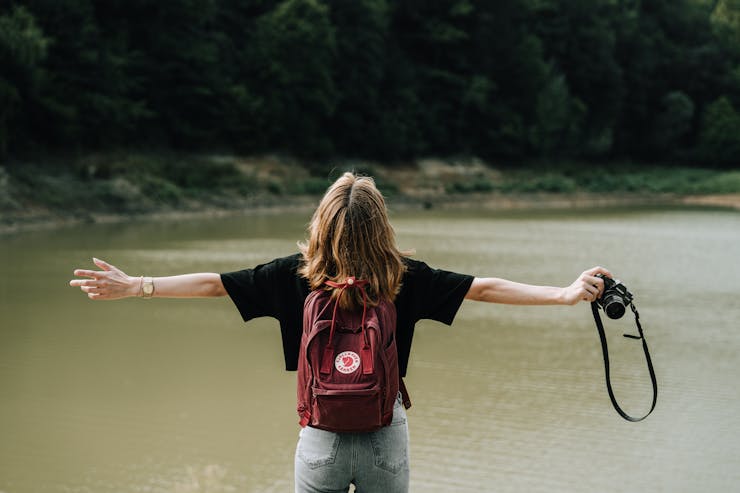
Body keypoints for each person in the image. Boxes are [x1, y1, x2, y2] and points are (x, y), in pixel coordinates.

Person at [70, 172, 611, 493]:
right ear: (382, 226)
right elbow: (486, 288)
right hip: (384, 438)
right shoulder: (406, 277)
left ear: (321, 224)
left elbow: (214, 285)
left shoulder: (294, 275)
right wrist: (564, 294)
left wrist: (136, 285)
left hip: (321, 439)